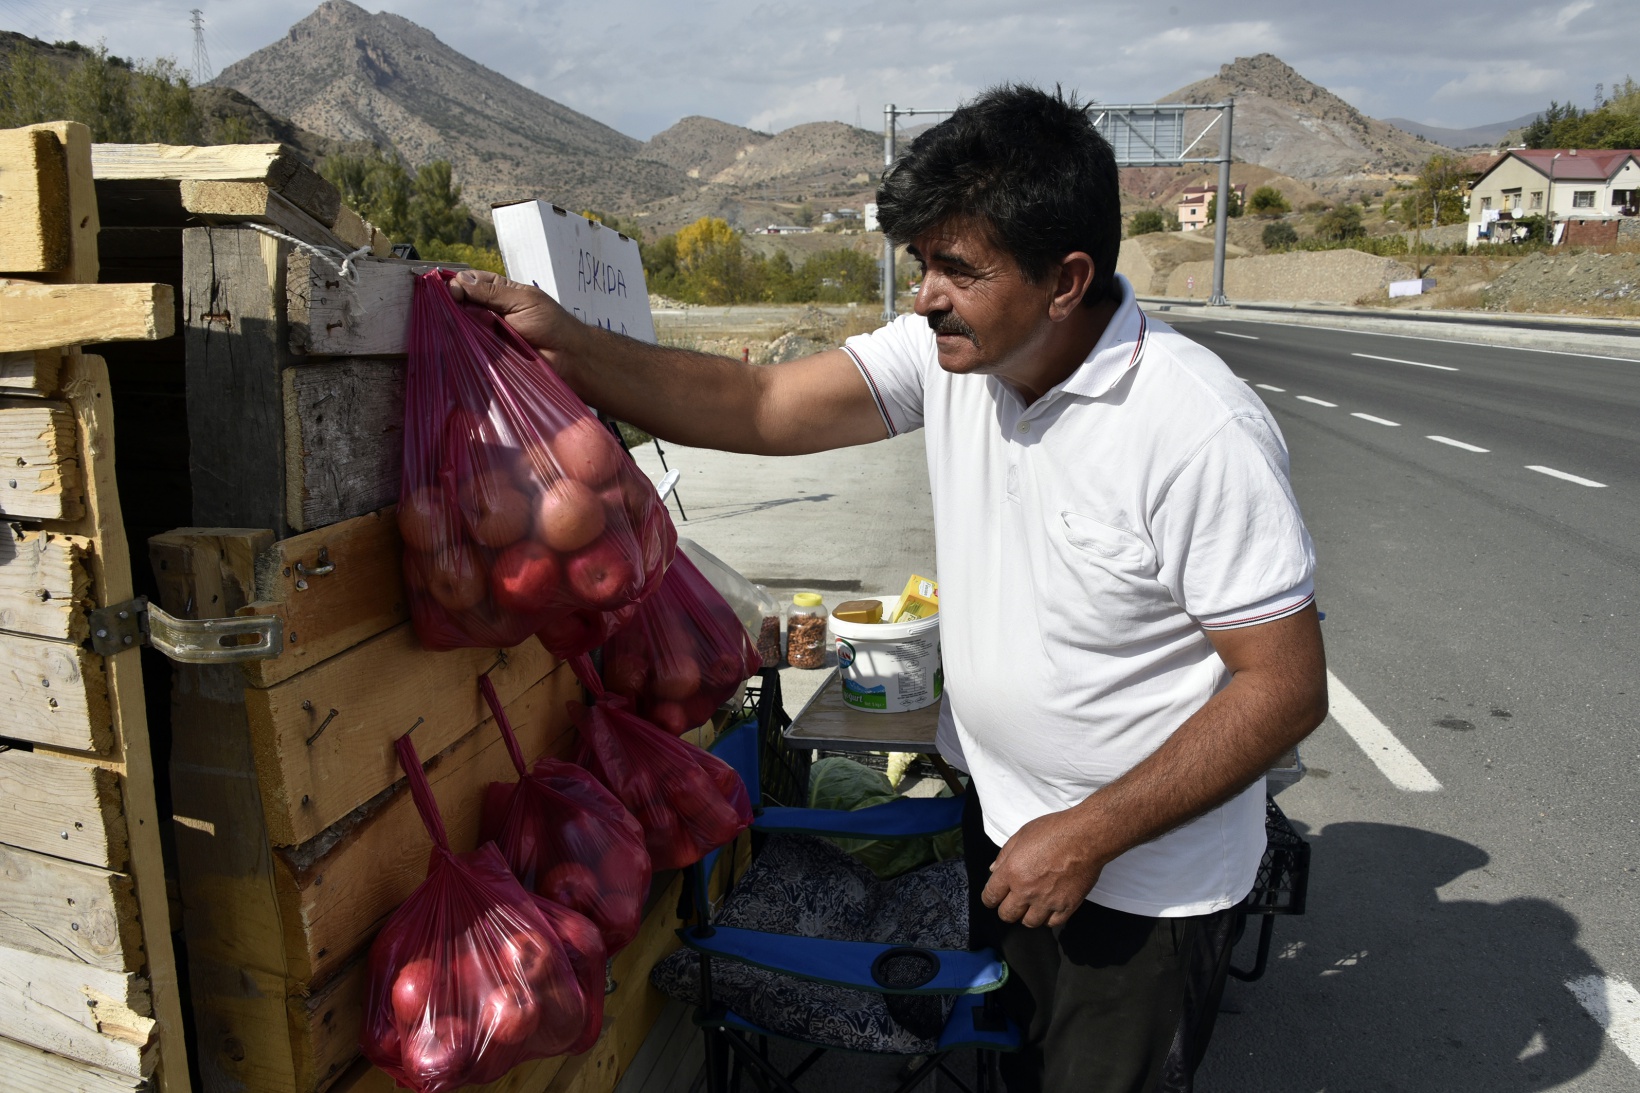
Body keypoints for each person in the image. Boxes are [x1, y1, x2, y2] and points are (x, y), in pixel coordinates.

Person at [450, 84, 1328, 1093]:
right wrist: (565, 341)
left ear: (1064, 279)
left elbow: (1282, 687)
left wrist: (1089, 834)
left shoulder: (1191, 430)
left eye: (958, 268)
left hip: (1136, 876)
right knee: (1019, 1065)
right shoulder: (950, 357)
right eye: (921, 263)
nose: (924, 295)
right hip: (1006, 828)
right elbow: (760, 400)